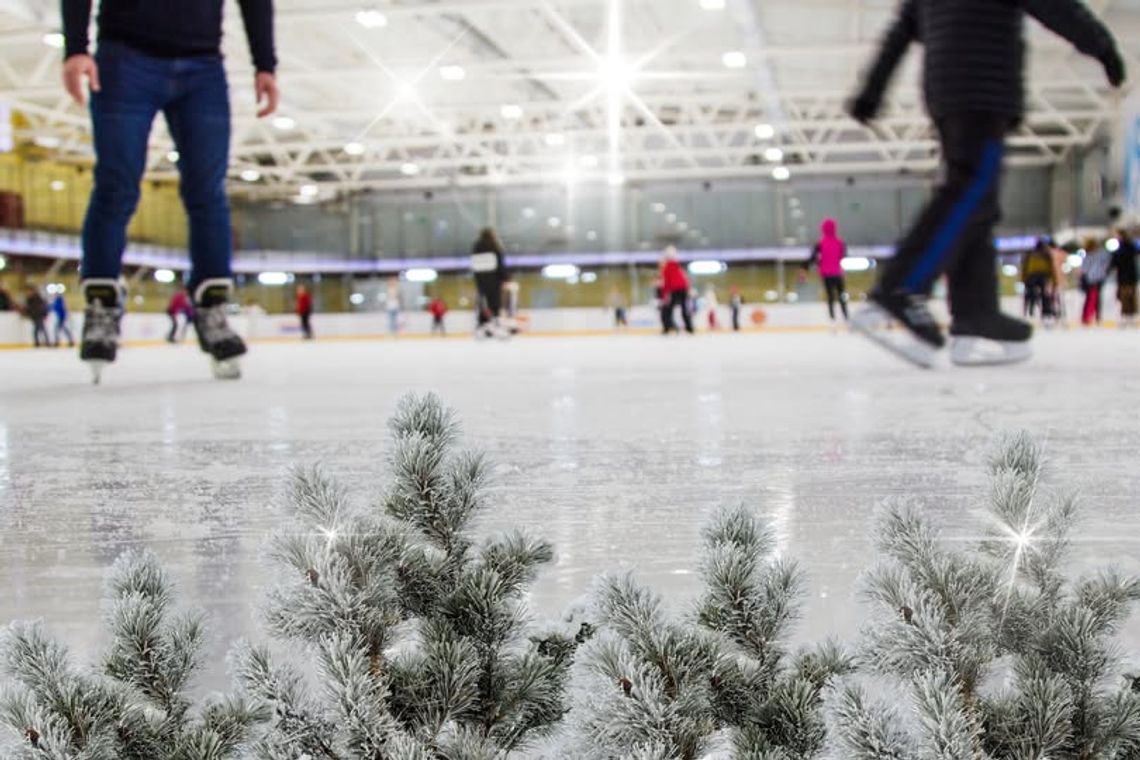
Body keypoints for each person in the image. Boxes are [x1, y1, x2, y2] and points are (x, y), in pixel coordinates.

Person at [847, 0, 1124, 367]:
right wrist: (1103, 47)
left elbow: (899, 32)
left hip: (947, 95)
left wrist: (873, 89)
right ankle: (902, 288)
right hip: (983, 90)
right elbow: (1058, 8)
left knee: (978, 205)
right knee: (968, 193)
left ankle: (976, 315)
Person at [62, 0, 280, 381]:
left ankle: (212, 307)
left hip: (203, 64)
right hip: (124, 55)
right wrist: (76, 47)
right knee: (116, 185)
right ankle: (101, 308)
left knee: (208, 192)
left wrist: (266, 62)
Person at [803, 217, 849, 324]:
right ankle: (846, 317)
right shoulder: (840, 243)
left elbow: (813, 258)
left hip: (826, 274)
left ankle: (832, 318)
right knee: (841, 295)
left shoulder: (820, 244)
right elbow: (844, 255)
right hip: (837, 273)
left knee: (830, 296)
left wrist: (814, 265)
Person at [471, 227, 508, 338]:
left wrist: (477, 279)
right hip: (494, 279)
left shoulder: (476, 246)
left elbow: (475, 265)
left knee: (483, 302)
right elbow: (500, 263)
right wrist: (504, 277)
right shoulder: (494, 245)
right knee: (495, 302)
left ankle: (482, 326)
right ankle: (496, 325)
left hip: (481, 280)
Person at [660, 247, 693, 335]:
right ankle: (689, 328)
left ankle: (667, 328)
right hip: (683, 288)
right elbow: (685, 279)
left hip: (675, 289)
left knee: (667, 309)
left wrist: (664, 296)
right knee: (684, 308)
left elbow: (666, 283)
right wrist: (688, 288)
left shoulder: (667, 267)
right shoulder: (677, 266)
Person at [1109, 230, 1138, 327]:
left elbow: (1114, 263)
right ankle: (1131, 315)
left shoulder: (1119, 249)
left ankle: (1126, 316)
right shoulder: (1131, 246)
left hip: (1123, 277)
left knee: (1125, 297)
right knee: (1131, 296)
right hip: (1131, 276)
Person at [1021, 241, 1055, 319]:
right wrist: (1052, 278)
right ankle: (1046, 311)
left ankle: (1030, 309)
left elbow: (1025, 267)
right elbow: (1051, 267)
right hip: (1042, 275)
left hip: (1032, 276)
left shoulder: (1030, 254)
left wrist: (1023, 278)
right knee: (1045, 294)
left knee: (1031, 294)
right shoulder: (1046, 254)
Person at [1080, 237, 1110, 326]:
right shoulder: (1100, 253)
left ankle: (1090, 316)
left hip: (1093, 278)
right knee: (1094, 298)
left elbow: (1084, 268)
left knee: (1092, 298)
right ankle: (1093, 316)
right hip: (1096, 278)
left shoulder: (1091, 254)